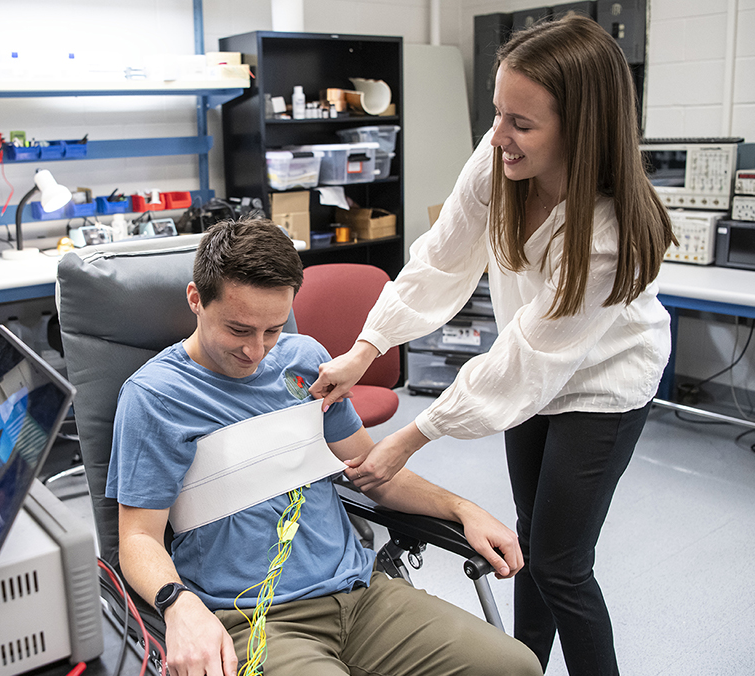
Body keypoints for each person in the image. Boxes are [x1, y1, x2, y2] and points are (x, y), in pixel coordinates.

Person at [310, 16, 676, 676]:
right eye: (498, 112)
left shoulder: (611, 231)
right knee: (531, 539)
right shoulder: (501, 154)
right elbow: (441, 259)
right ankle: (525, 665)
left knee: (563, 565)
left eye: (522, 124)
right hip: (530, 372)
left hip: (602, 383)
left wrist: (407, 439)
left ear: (580, 129)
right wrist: (367, 348)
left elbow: (525, 361)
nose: (499, 136)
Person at [107, 218, 542, 676]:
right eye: (238, 330)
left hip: (362, 595)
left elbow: (371, 472)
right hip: (257, 619)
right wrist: (178, 605)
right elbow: (137, 538)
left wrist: (460, 507)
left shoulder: (304, 360)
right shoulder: (156, 397)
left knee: (516, 667)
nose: (256, 351)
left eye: (272, 329)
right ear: (196, 299)